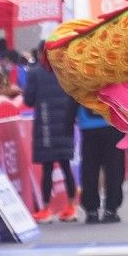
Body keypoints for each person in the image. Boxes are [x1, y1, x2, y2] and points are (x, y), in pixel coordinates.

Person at [24, 46, 81, 222]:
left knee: (47, 168)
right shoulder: (66, 72)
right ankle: (71, 207)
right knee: (65, 166)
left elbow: (28, 101)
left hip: (46, 126)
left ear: (41, 54)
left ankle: (46, 209)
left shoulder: (34, 74)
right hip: (65, 124)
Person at [78, 100, 126, 223]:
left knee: (90, 169)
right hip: (113, 123)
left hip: (88, 123)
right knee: (114, 169)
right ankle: (111, 209)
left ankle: (91, 210)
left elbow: (72, 92)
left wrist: (67, 122)